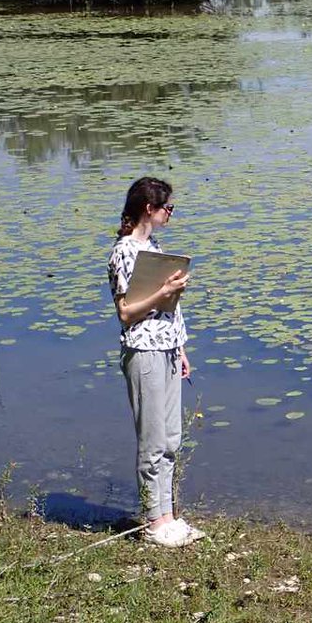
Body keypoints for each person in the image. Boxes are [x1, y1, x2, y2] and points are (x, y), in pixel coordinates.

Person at [107, 177, 204, 547]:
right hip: (143, 351)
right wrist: (163, 290)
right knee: (152, 440)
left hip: (166, 348)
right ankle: (153, 523)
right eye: (168, 207)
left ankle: (168, 516)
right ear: (149, 208)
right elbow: (126, 313)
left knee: (171, 438)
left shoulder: (154, 247)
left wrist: (180, 348)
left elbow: (167, 309)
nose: (171, 213)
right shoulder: (124, 253)